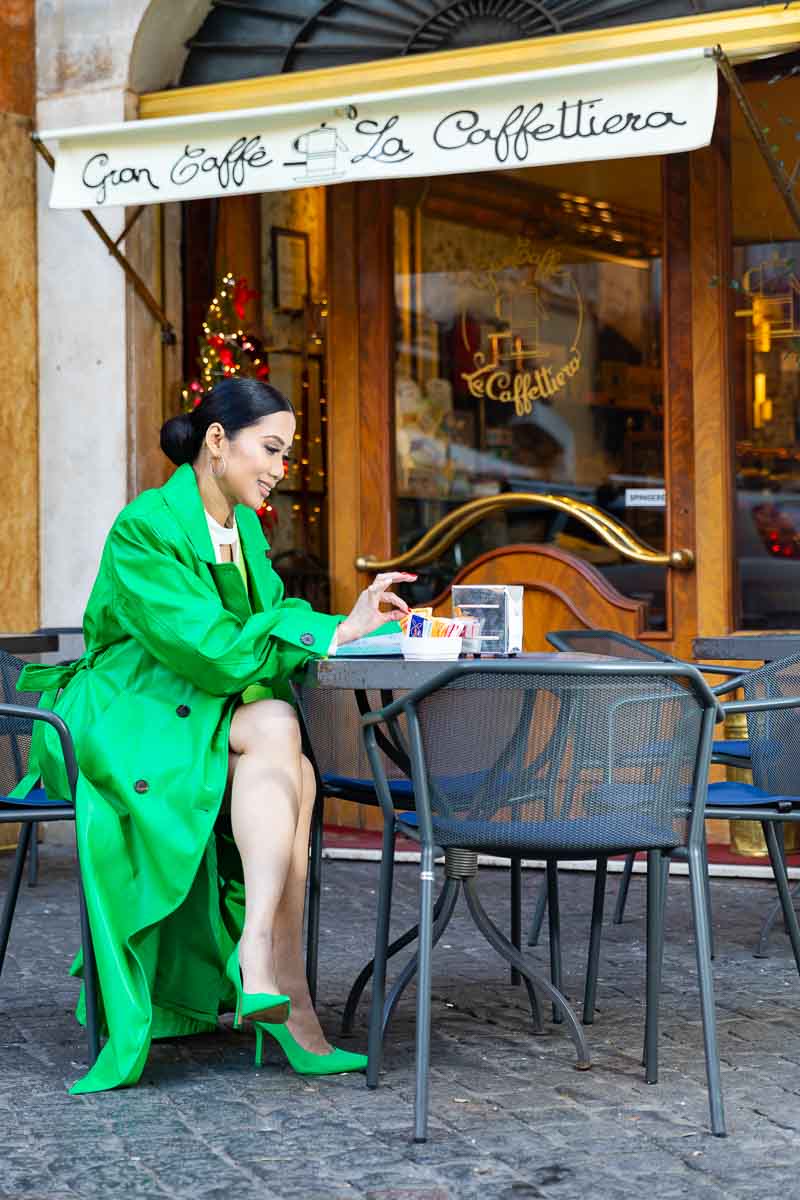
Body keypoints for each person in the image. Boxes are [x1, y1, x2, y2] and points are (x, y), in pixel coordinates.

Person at [15, 377, 415, 1094]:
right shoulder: (146, 525)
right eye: (271, 448)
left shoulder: (245, 526)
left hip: (199, 707)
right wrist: (333, 630)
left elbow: (255, 633)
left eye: (287, 454)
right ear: (217, 441)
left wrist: (336, 627)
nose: (279, 468)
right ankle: (279, 987)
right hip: (125, 711)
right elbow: (212, 650)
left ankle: (263, 962)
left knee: (291, 752)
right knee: (279, 735)